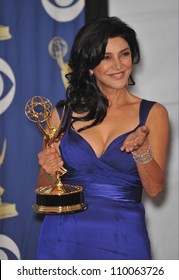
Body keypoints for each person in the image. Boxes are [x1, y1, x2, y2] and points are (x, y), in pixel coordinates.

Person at [36, 16, 169, 260]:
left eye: (125, 54)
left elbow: (155, 188)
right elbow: (42, 189)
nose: (118, 65)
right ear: (89, 65)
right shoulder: (61, 115)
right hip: (63, 238)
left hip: (124, 238)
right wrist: (48, 169)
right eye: (106, 57)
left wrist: (142, 151)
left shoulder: (153, 114)